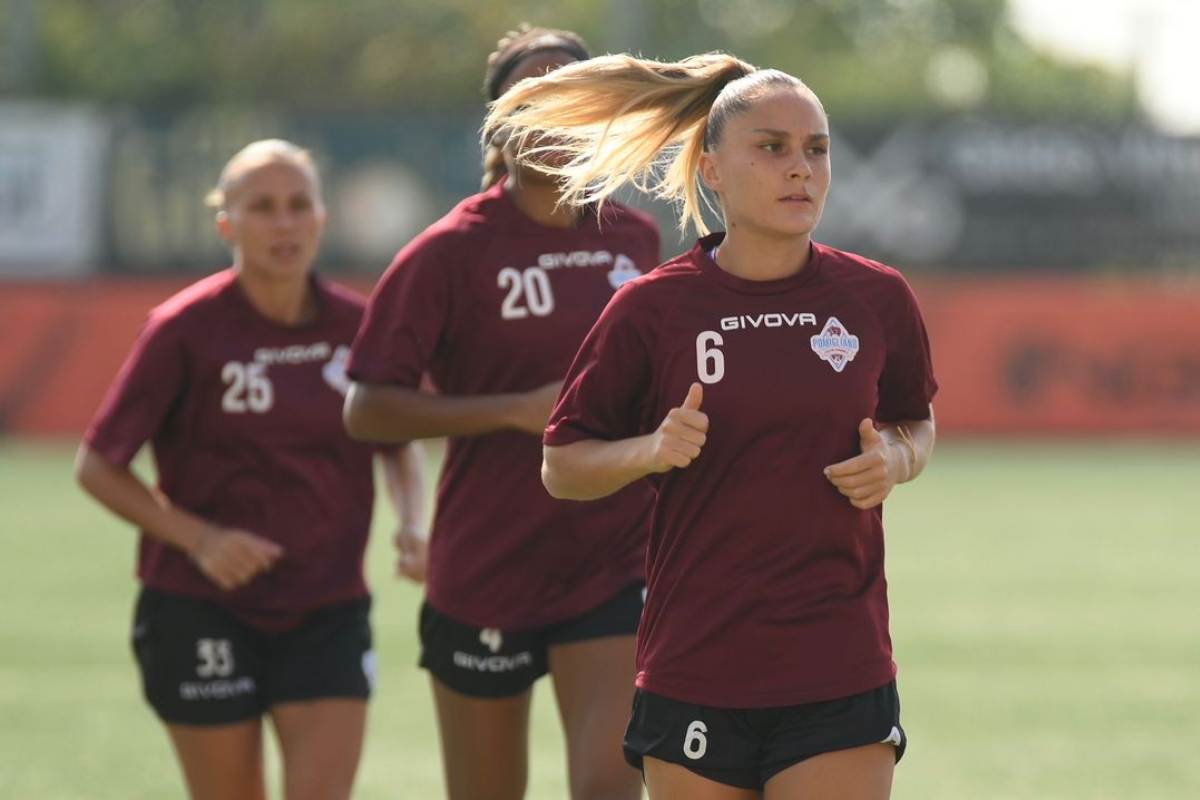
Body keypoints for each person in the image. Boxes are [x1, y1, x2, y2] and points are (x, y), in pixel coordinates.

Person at [486, 53, 938, 799]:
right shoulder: (651, 310)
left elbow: (914, 420)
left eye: (816, 149)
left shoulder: (875, 297)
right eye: (772, 147)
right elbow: (561, 465)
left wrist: (895, 455)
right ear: (712, 168)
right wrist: (649, 450)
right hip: (695, 665)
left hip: (838, 662)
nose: (801, 168)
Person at [342, 25, 660, 800]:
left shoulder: (640, 239)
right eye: (532, 97)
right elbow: (368, 409)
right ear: (499, 125)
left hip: (614, 561)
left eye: (573, 97)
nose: (554, 116)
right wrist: (513, 411)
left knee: (608, 788)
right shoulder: (447, 253)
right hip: (486, 566)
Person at [75, 139, 426, 800]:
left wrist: (413, 522)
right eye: (262, 207)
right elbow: (98, 465)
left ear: (322, 218)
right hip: (200, 608)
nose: (284, 223)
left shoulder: (360, 326)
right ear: (226, 223)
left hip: (327, 608)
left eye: (299, 205)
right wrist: (200, 539)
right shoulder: (183, 329)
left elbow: (399, 439)